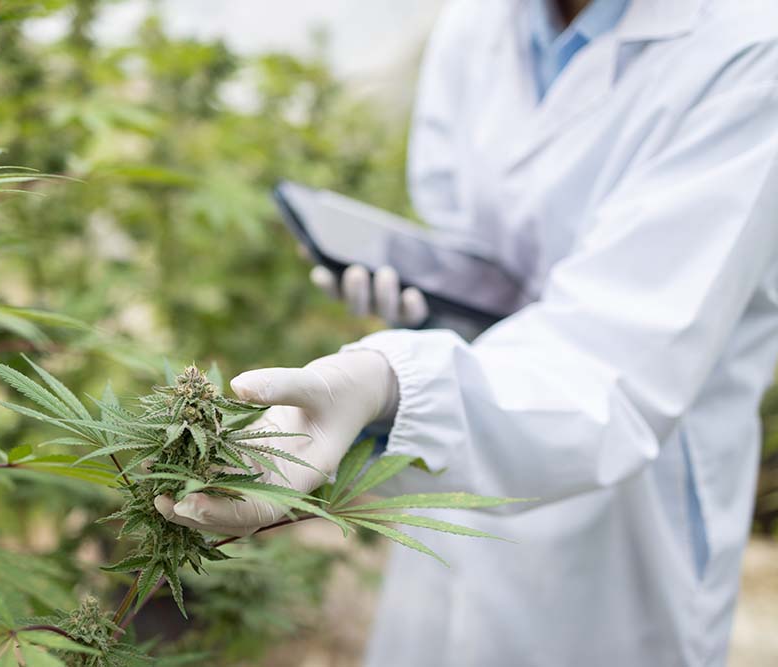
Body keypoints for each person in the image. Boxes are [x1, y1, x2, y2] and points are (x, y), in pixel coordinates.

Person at [155, 0, 778, 664]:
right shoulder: (478, 22)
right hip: (464, 461)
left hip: (631, 513)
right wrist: (437, 305)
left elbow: (612, 361)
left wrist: (390, 379)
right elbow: (472, 238)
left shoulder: (747, 50)